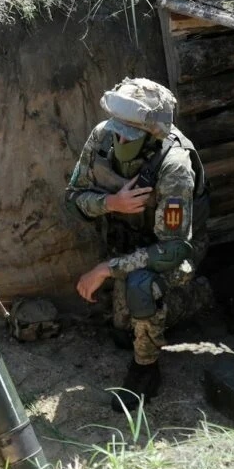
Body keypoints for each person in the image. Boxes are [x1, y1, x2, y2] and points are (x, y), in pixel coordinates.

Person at [65, 77, 214, 412]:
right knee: (122, 331)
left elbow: (174, 248)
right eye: (116, 130)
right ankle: (148, 316)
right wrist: (112, 204)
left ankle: (146, 370)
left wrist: (105, 269)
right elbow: (72, 198)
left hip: (174, 251)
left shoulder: (175, 166)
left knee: (141, 287)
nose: (117, 138)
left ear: (151, 136)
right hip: (129, 244)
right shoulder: (103, 136)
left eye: (127, 135)